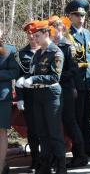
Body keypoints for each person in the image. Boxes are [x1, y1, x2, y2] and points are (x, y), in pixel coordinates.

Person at [16, 20, 66, 174]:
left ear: (46, 34)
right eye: (33, 36)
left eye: (37, 36)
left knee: (54, 132)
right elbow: (32, 72)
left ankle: (60, 166)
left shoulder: (56, 52)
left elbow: (54, 77)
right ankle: (45, 165)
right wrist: (24, 80)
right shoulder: (38, 53)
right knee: (42, 132)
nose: (35, 39)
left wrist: (34, 80)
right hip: (37, 95)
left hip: (51, 95)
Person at [48, 16, 88, 168]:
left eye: (57, 28)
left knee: (70, 123)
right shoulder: (48, 46)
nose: (54, 31)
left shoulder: (70, 45)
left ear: (62, 29)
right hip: (52, 90)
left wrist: (57, 78)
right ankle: (55, 157)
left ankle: (80, 156)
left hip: (66, 88)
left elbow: (77, 68)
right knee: (55, 124)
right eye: (51, 28)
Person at [65, 0, 90, 157]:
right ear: (71, 17)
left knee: (89, 118)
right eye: (77, 15)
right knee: (77, 119)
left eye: (83, 15)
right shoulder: (68, 35)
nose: (81, 19)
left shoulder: (88, 34)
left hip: (88, 82)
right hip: (76, 84)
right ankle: (79, 151)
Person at [14, 21, 41, 170]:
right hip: (30, 97)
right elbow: (18, 78)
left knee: (47, 129)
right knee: (32, 130)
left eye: (34, 33)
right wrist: (20, 97)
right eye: (29, 33)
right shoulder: (21, 54)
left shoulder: (47, 50)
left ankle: (48, 159)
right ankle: (35, 160)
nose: (31, 36)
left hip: (46, 96)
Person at [0, 29, 20, 174]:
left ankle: (1, 167)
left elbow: (15, 72)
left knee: (1, 132)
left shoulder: (10, 50)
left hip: (2, 97)